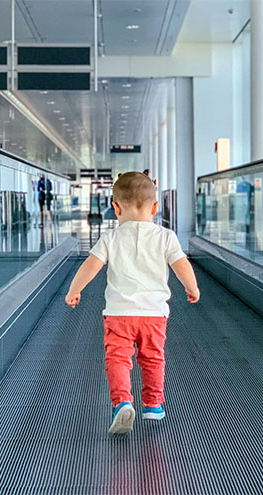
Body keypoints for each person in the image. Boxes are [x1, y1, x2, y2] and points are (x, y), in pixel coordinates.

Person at [64, 172, 200, 435]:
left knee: (117, 359)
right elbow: (181, 264)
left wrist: (75, 289)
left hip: (118, 314)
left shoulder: (111, 238)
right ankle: (153, 403)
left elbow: (91, 265)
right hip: (154, 315)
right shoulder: (166, 237)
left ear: (115, 208)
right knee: (153, 359)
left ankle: (122, 403)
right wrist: (191, 287)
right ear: (155, 207)